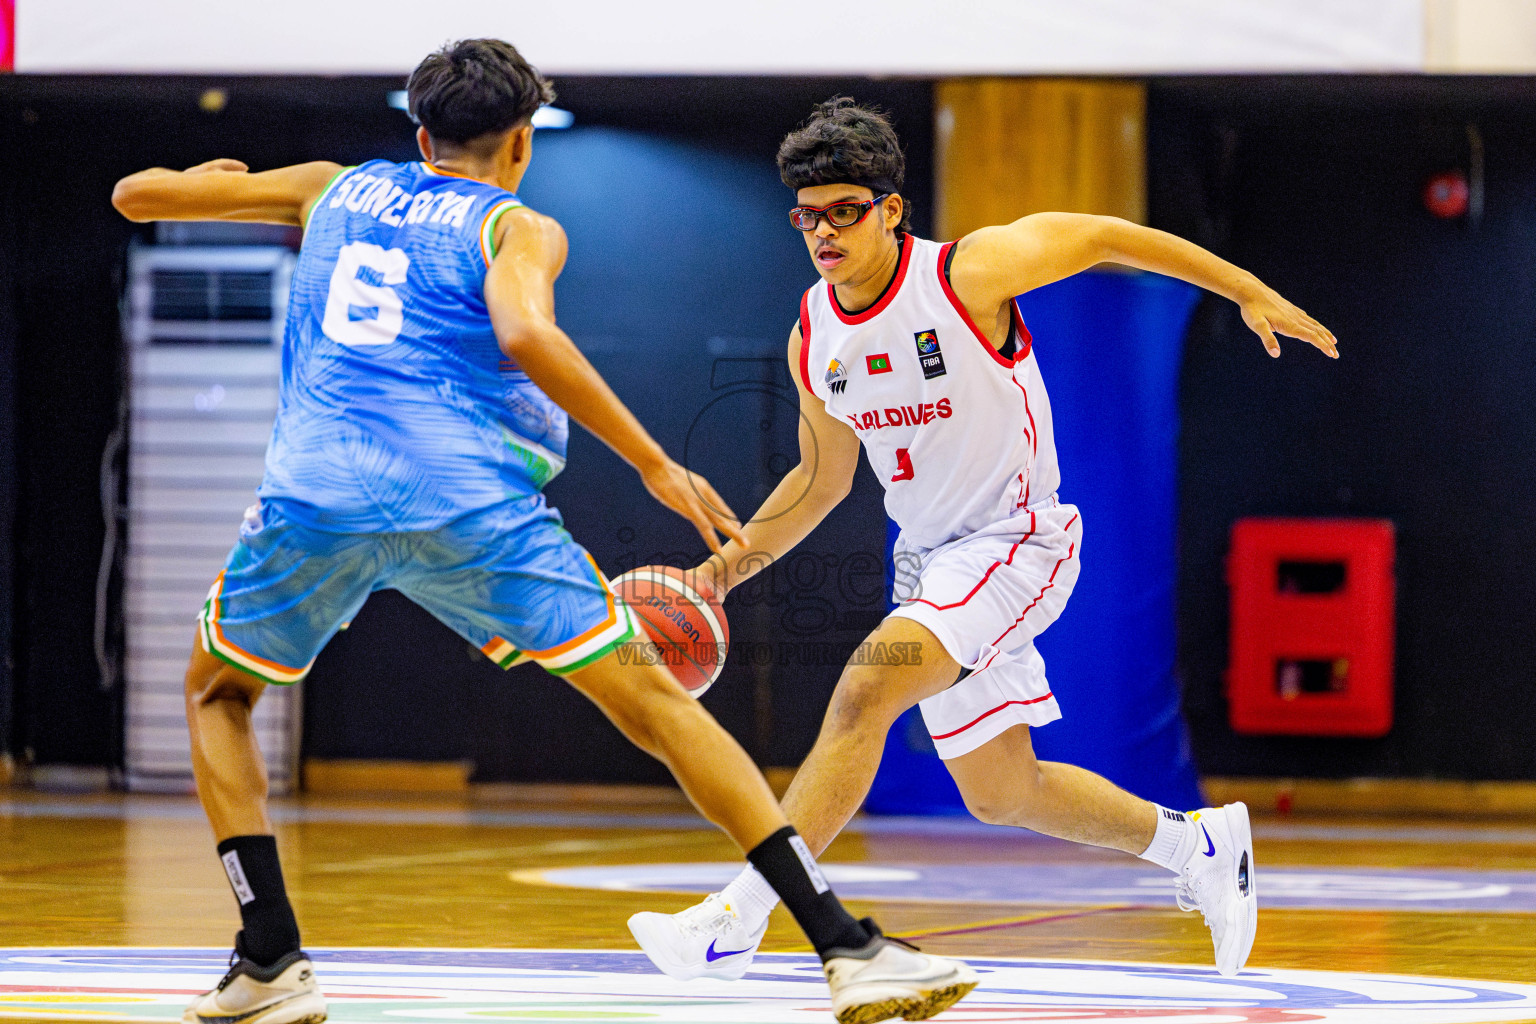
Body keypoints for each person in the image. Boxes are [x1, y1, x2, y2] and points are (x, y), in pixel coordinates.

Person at [112, 48, 977, 1024]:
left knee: (217, 691)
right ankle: (845, 945)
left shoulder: (329, 188)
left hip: (316, 496)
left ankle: (268, 952)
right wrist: (653, 461)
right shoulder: (517, 224)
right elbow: (524, 335)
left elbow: (137, 195)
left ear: (419, 131)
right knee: (657, 705)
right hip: (469, 505)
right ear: (520, 142)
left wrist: (220, 183)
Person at [627, 97, 1338, 983]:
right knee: (1004, 791)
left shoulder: (967, 275)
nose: (823, 233)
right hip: (929, 564)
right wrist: (720, 574)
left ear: (890, 208)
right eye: (808, 217)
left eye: (845, 211)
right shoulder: (815, 333)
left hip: (1017, 539)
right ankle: (1197, 847)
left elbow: (1108, 235)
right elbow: (820, 481)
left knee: (862, 691)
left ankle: (739, 917)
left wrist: (1244, 288)